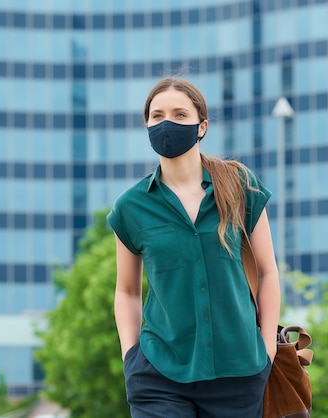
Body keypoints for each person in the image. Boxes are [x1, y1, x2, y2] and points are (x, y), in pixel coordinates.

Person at [107, 77, 281, 417]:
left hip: (241, 372)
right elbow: (126, 291)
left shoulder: (240, 186)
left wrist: (267, 350)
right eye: (157, 116)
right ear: (147, 125)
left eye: (179, 114)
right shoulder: (131, 207)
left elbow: (267, 271)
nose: (167, 123)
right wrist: (131, 357)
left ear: (202, 126)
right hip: (159, 373)